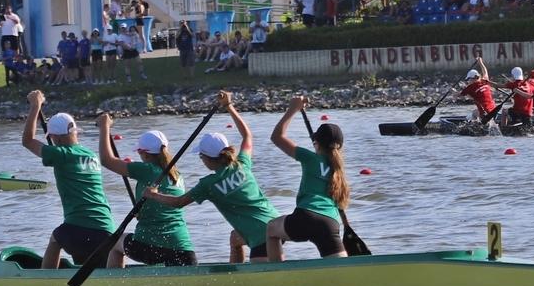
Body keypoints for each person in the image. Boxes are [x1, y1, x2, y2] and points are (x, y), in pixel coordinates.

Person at [143, 91, 278, 263]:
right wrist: (229, 106)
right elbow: (247, 136)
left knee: (262, 279)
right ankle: (233, 275)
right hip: (275, 223)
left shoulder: (208, 184)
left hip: (259, 235)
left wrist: (153, 195)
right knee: (235, 238)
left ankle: (243, 278)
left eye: (201, 156)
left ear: (206, 158)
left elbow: (178, 203)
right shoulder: (241, 164)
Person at [21, 91, 117, 268]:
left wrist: (35, 106)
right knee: (89, 266)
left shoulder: (60, 154)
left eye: (51, 137)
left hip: (79, 228)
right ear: (75, 132)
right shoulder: (90, 155)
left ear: (56, 138)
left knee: (56, 238)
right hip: (107, 230)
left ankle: (46, 279)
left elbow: (27, 141)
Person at [97, 118, 195, 267]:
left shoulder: (146, 169)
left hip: (153, 247)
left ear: (145, 154)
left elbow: (106, 160)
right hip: (185, 250)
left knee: (115, 243)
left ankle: (115, 280)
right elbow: (163, 209)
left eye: (139, 152)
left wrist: (105, 126)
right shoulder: (177, 175)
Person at [265, 96, 350, 260]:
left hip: (305, 217)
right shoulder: (338, 170)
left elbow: (277, 137)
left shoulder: (310, 157)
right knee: (341, 266)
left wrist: (293, 109)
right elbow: (339, 203)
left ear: (316, 143)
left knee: (271, 229)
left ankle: (277, 272)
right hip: (330, 224)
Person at [502, 66, 534, 133]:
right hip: (529, 112)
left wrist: (487, 82)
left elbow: (498, 85)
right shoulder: (530, 84)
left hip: (518, 111)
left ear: (513, 75)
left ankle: (503, 128)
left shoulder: (514, 84)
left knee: (504, 111)